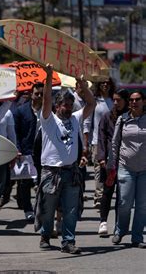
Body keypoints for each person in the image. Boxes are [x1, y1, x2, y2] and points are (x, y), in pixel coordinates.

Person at [35, 64, 95, 254]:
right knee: (48, 209)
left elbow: (92, 104)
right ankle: (45, 235)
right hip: (51, 172)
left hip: (71, 171)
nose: (68, 108)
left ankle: (68, 242)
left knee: (70, 210)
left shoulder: (76, 118)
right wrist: (49, 76)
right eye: (64, 105)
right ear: (57, 106)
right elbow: (45, 100)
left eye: (70, 105)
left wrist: (83, 87)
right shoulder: (48, 118)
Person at [108, 91, 146, 248]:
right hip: (126, 167)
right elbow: (115, 143)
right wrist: (111, 165)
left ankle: (137, 237)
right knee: (124, 203)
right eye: (131, 100)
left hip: (144, 170)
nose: (134, 102)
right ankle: (120, 230)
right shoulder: (122, 120)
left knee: (142, 205)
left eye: (137, 100)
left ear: (144, 102)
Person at [96, 89, 130, 236]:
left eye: (119, 100)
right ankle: (103, 222)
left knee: (122, 196)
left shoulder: (131, 117)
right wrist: (102, 157)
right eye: (114, 100)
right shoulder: (107, 117)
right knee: (107, 192)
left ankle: (118, 224)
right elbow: (101, 138)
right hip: (110, 161)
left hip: (127, 161)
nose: (115, 103)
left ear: (126, 101)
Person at [13, 83, 44, 221]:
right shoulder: (21, 111)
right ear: (31, 94)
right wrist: (17, 149)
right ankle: (27, 209)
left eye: (42, 94)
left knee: (43, 182)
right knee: (25, 183)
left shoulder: (49, 110)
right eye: (37, 93)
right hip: (26, 151)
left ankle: (41, 208)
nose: (39, 96)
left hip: (43, 152)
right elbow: (16, 133)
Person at [86, 79, 114, 209]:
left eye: (108, 82)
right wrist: (87, 140)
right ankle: (98, 197)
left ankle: (108, 194)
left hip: (113, 140)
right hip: (97, 140)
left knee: (111, 169)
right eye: (102, 82)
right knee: (98, 168)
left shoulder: (114, 100)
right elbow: (87, 121)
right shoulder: (94, 101)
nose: (105, 85)